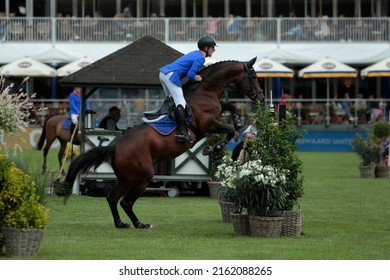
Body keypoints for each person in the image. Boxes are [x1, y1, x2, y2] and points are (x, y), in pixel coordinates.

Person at [159, 35, 217, 143]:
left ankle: (168, 123)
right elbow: (190, 75)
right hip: (171, 75)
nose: (214, 50)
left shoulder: (195, 53)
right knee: (181, 103)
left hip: (163, 74)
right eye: (212, 47)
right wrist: (197, 77)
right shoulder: (200, 58)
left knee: (170, 100)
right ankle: (182, 132)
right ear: (206, 48)